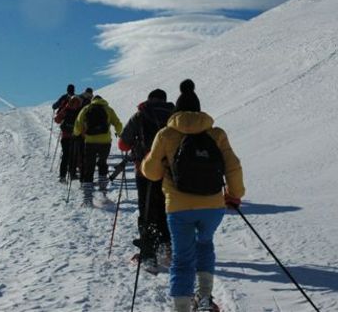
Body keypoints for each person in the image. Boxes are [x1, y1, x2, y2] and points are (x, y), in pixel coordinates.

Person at [142, 79, 244, 312]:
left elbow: (152, 173)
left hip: (178, 208)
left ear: (176, 110)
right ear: (199, 110)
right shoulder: (216, 133)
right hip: (212, 204)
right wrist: (234, 194)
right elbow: (233, 166)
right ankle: (205, 299)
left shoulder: (166, 134)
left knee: (182, 258)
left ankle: (181, 308)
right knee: (205, 245)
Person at [118, 88, 175, 272]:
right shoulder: (174, 116)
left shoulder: (140, 115)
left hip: (144, 169)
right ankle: (166, 246)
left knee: (147, 209)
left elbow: (123, 144)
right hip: (169, 172)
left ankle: (149, 254)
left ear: (149, 99)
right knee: (165, 208)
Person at [73, 95, 122, 206]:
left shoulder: (86, 109)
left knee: (89, 168)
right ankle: (103, 194)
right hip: (105, 142)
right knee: (102, 164)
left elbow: (78, 124)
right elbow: (117, 123)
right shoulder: (108, 109)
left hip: (90, 142)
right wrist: (120, 133)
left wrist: (75, 134)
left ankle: (87, 199)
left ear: (93, 100)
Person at [54, 95, 83, 183]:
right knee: (73, 155)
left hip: (66, 136)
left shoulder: (66, 109)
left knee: (66, 156)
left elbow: (57, 120)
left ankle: (63, 175)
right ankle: (72, 174)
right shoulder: (79, 111)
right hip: (75, 136)